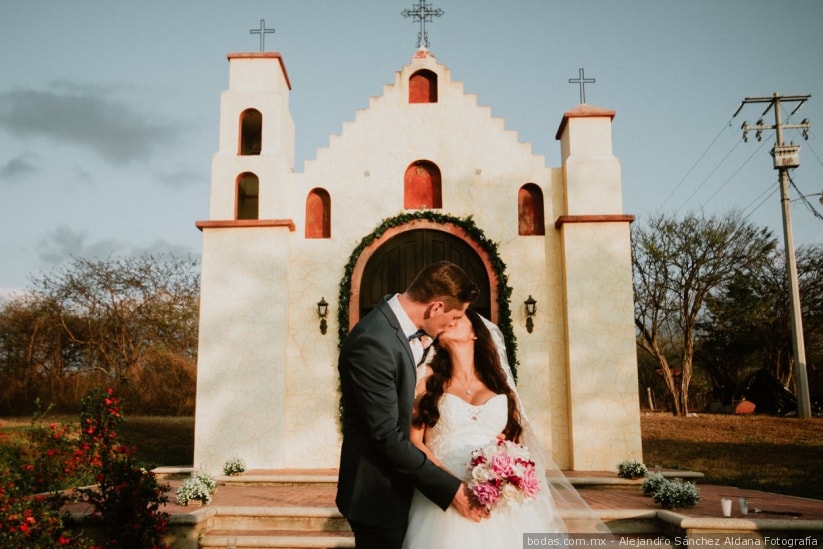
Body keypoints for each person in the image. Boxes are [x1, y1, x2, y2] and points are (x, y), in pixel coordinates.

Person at [402, 309, 610, 549]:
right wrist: (452, 488)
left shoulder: (501, 388)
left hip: (497, 503)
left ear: (475, 334)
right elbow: (414, 442)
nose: (450, 320)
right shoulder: (427, 380)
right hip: (443, 499)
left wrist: (508, 464)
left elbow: (517, 443)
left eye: (458, 318)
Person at [336, 260, 486, 549]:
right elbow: (387, 437)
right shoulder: (373, 343)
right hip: (380, 494)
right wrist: (453, 490)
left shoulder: (410, 331)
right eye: (455, 316)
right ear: (436, 307)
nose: (454, 325)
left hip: (413, 488)